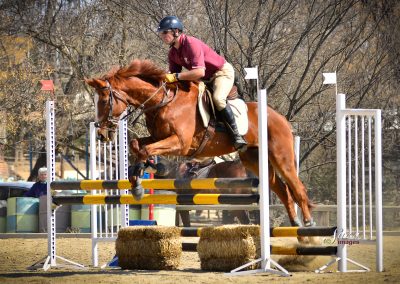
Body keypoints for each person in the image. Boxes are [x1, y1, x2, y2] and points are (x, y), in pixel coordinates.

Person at [157, 16, 247, 151]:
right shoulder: (173, 53)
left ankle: (236, 135)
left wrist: (175, 76)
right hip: (205, 79)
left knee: (218, 99)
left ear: (176, 31)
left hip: (221, 73)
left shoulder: (191, 44)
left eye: (165, 32)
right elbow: (173, 78)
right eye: (161, 33)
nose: (162, 36)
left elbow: (199, 72)